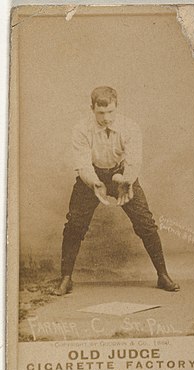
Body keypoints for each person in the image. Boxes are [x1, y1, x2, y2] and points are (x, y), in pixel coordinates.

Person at [53, 86, 180, 295]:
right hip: (91, 178)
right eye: (101, 113)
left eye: (110, 112)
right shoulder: (81, 129)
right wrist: (95, 183)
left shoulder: (130, 127)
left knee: (146, 223)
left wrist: (126, 180)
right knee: (74, 224)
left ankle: (163, 275)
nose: (106, 118)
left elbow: (134, 160)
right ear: (92, 108)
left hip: (122, 177)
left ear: (116, 107)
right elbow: (83, 164)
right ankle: (66, 278)